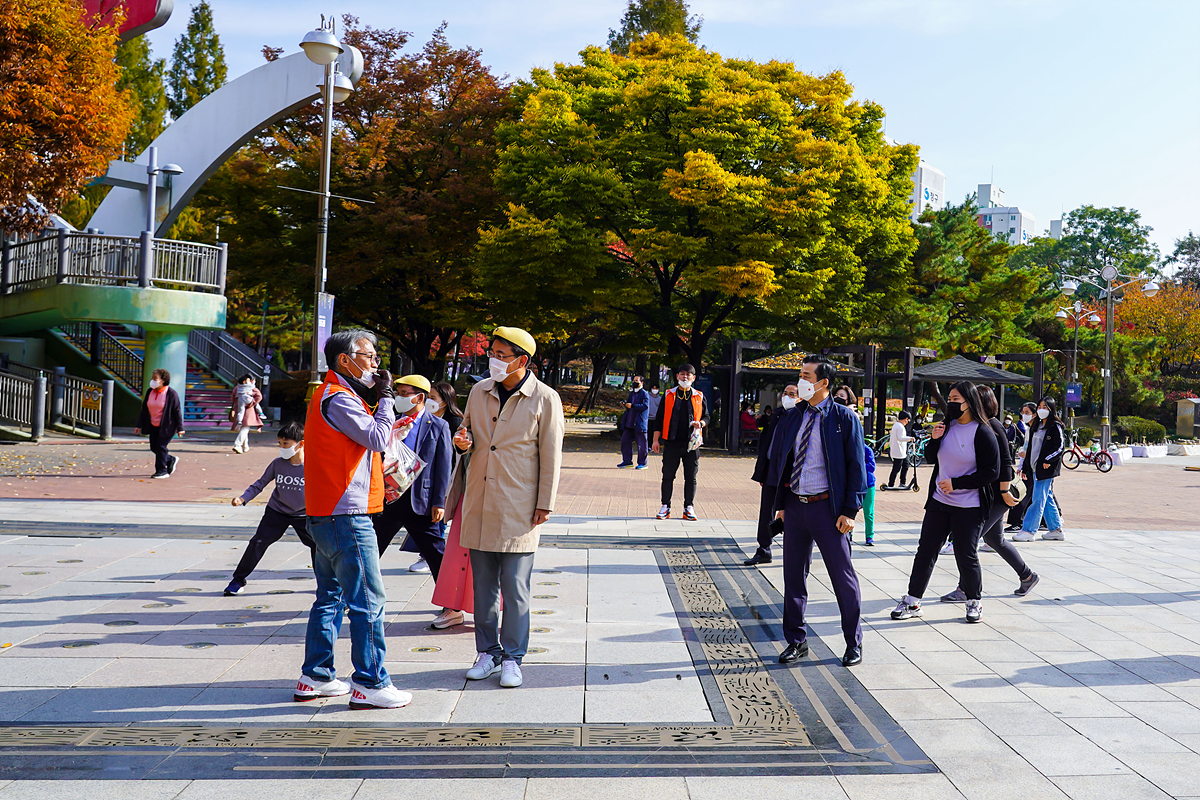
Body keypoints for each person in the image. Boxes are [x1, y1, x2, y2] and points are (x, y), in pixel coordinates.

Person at [298, 328, 410, 710]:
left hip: (327, 511)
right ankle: (371, 681)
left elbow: (367, 439)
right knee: (367, 599)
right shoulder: (340, 397)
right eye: (369, 355)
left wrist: (385, 419)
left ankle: (316, 675)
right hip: (346, 514)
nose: (375, 363)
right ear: (345, 360)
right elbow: (376, 440)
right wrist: (386, 398)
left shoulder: (329, 395)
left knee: (329, 597)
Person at [454, 327, 565, 689]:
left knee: (515, 587)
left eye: (503, 355)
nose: (495, 360)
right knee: (482, 587)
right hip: (480, 501)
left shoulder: (545, 398)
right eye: (493, 352)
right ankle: (488, 652)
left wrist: (544, 503)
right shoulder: (478, 390)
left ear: (523, 360)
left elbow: (551, 455)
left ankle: (514, 658)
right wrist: (461, 443)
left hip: (519, 504)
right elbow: (467, 436)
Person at [767, 356, 867, 668]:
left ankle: (853, 642)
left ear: (823, 382)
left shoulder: (843, 418)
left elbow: (857, 467)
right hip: (796, 507)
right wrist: (781, 506)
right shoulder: (794, 416)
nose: (800, 382)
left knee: (843, 578)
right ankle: (796, 641)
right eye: (800, 375)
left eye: (806, 376)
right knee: (793, 577)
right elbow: (784, 461)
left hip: (829, 510)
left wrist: (850, 510)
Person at [891, 382, 1000, 625]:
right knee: (926, 551)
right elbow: (930, 458)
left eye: (955, 399)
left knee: (965, 554)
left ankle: (973, 601)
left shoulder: (983, 432)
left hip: (969, 505)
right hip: (939, 502)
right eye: (948, 398)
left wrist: (957, 483)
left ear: (969, 402)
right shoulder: (946, 426)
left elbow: (991, 472)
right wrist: (934, 439)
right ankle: (912, 600)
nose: (950, 402)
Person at [938, 386, 1039, 602]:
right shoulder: (978, 425)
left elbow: (1005, 461)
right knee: (995, 540)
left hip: (996, 496)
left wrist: (1003, 491)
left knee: (968, 542)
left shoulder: (992, 425)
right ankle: (1027, 575)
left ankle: (965, 589)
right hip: (988, 494)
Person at [373, 374, 455, 627]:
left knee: (435, 553)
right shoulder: (391, 422)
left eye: (405, 393)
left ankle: (451, 606)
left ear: (419, 397)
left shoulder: (437, 425)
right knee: (370, 549)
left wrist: (439, 502)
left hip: (419, 500)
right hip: (387, 498)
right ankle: (350, 597)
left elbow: (444, 465)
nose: (399, 398)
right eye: (398, 392)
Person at [225, 421, 316, 596]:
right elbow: (260, 484)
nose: (282, 448)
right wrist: (243, 498)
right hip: (277, 512)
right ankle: (238, 580)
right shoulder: (278, 463)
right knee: (257, 543)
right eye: (280, 443)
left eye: (286, 444)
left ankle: (327, 586)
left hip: (305, 515)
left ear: (301, 444)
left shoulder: (313, 465)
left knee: (319, 547)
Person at [430, 380, 475, 622]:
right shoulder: (475, 406)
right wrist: (462, 443)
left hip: (498, 493)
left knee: (493, 560)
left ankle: (490, 612)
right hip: (467, 490)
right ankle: (452, 606)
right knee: (456, 551)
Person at [744, 384, 798, 565]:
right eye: (785, 393)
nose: (787, 397)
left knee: (789, 513)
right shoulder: (777, 414)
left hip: (789, 474)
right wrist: (761, 471)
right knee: (766, 512)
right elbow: (766, 442)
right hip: (770, 470)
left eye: (792, 394)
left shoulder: (800, 416)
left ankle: (795, 552)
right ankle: (764, 549)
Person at [651, 364, 710, 521]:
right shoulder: (669, 394)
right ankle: (665, 506)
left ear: (693, 378)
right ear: (677, 376)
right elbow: (659, 418)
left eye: (688, 375)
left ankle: (688, 507)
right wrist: (656, 440)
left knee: (691, 477)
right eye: (682, 374)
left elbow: (707, 416)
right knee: (668, 475)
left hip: (692, 444)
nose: (685, 377)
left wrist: (701, 424)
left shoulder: (699, 395)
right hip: (672, 442)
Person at [1013, 396, 1066, 542]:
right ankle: (1056, 530)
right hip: (1034, 467)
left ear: (1051, 409)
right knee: (1046, 497)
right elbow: (1030, 448)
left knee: (1037, 499)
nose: (1042, 410)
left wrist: (1047, 460)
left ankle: (1029, 530)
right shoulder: (1036, 426)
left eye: (1045, 407)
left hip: (1046, 469)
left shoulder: (1055, 426)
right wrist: (1024, 467)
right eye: (1040, 406)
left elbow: (1060, 447)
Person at [134, 368, 182, 479]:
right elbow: (144, 410)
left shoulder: (171, 393)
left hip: (167, 426)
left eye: (155, 378)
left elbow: (177, 411)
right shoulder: (150, 392)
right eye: (152, 378)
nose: (152, 380)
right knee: (154, 447)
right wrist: (138, 425)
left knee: (161, 446)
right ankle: (170, 459)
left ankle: (162, 471)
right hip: (153, 425)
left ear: (163, 380)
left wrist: (180, 428)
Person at [617, 375, 650, 469]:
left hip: (639, 424)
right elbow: (629, 405)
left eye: (637, 381)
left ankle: (643, 463)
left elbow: (645, 406)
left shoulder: (644, 394)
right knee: (625, 441)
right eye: (633, 380)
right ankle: (627, 461)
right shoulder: (632, 394)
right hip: (630, 423)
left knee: (642, 444)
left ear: (642, 383)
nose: (635, 382)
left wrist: (633, 406)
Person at [230, 375, 264, 454]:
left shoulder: (237, 388)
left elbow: (233, 398)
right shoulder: (253, 388)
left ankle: (245, 446)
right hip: (249, 411)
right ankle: (237, 445)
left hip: (239, 410)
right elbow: (259, 397)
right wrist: (252, 403)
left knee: (244, 428)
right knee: (245, 428)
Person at [887, 411, 914, 488]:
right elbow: (900, 438)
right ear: (906, 419)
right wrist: (910, 439)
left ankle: (902, 482)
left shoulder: (896, 425)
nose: (907, 422)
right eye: (908, 420)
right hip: (899, 451)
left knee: (906, 465)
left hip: (901, 451)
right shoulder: (900, 427)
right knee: (896, 468)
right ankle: (891, 484)